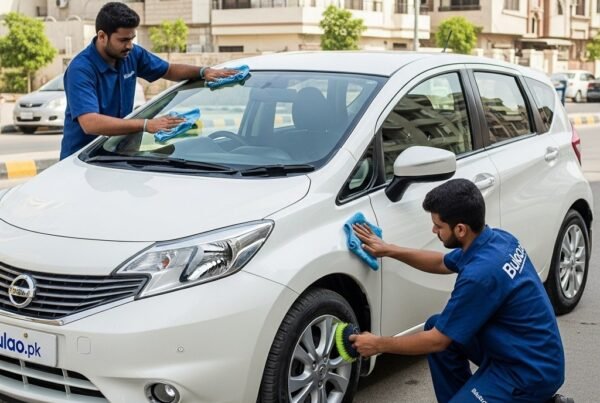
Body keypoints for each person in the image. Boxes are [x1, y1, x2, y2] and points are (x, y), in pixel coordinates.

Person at [350, 178, 571, 403]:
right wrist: (390, 250)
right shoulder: (497, 240)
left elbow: (437, 341)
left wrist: (379, 344)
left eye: (438, 225)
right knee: (436, 324)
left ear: (460, 229)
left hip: (528, 373)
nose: (433, 229)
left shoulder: (480, 275)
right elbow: (441, 263)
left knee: (438, 336)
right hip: (522, 349)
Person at [60, 2, 237, 160]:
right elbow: (90, 123)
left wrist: (203, 71)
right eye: (123, 40)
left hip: (119, 155)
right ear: (102, 36)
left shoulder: (132, 54)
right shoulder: (81, 69)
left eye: (131, 39)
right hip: (82, 159)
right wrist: (146, 124)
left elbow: (168, 70)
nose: (129, 45)